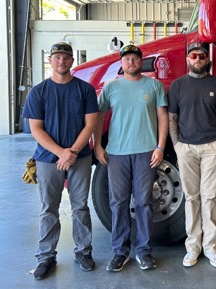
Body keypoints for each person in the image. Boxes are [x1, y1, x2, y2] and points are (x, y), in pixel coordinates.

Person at [22, 41, 99, 280]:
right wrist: (60, 153)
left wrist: (72, 152)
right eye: (56, 57)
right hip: (47, 160)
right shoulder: (39, 91)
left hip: (80, 158)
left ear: (71, 61)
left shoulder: (84, 90)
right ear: (50, 61)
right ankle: (46, 256)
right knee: (48, 209)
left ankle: (83, 252)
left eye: (65, 57)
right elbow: (36, 129)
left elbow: (91, 124)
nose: (61, 61)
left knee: (80, 207)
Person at [93, 44, 168, 272]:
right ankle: (120, 252)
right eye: (127, 59)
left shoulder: (154, 86)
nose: (131, 62)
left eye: (135, 58)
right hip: (117, 154)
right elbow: (99, 117)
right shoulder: (111, 87)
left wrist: (160, 147)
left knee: (144, 202)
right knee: (118, 203)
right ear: (121, 63)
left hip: (146, 152)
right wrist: (97, 145)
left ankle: (144, 252)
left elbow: (163, 118)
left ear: (141, 62)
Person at [168, 42, 216, 268]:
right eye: (193, 55)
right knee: (192, 198)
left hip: (212, 147)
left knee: (211, 197)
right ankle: (192, 247)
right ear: (187, 59)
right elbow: (172, 118)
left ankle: (211, 248)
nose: (198, 59)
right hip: (186, 149)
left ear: (207, 59)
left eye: (202, 56)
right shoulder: (177, 85)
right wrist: (177, 146)